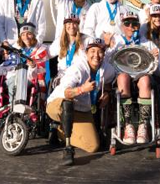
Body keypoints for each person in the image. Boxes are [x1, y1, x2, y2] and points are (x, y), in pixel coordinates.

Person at [46, 38, 115, 166]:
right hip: (57, 103)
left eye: (100, 52)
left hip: (82, 109)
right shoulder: (77, 68)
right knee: (68, 103)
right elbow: (67, 92)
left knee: (93, 145)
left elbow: (109, 82)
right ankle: (68, 148)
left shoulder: (108, 69)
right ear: (86, 53)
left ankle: (59, 131)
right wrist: (82, 89)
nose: (96, 55)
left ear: (104, 54)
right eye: (92, 51)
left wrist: (106, 93)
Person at [107, 12, 160, 145]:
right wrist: (107, 49)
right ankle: (127, 124)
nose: (131, 26)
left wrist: (155, 59)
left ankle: (143, 125)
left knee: (145, 80)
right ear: (122, 26)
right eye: (127, 23)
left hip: (142, 78)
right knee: (123, 78)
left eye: (134, 24)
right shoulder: (116, 42)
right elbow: (106, 65)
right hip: (122, 79)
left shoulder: (149, 44)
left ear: (139, 26)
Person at [0, 23, 48, 103]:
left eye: (29, 34)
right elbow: (7, 65)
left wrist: (32, 66)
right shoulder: (16, 49)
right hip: (13, 78)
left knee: (19, 81)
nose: (26, 37)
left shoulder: (41, 50)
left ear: (34, 35)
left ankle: (16, 106)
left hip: (30, 79)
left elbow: (39, 73)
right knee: (12, 80)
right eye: (23, 34)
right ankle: (14, 106)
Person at [49, 14, 88, 84]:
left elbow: (97, 49)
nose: (72, 26)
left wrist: (107, 44)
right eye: (69, 23)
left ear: (78, 25)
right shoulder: (59, 41)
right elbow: (48, 53)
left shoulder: (86, 39)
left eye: (75, 23)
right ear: (65, 25)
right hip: (62, 77)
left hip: (78, 78)